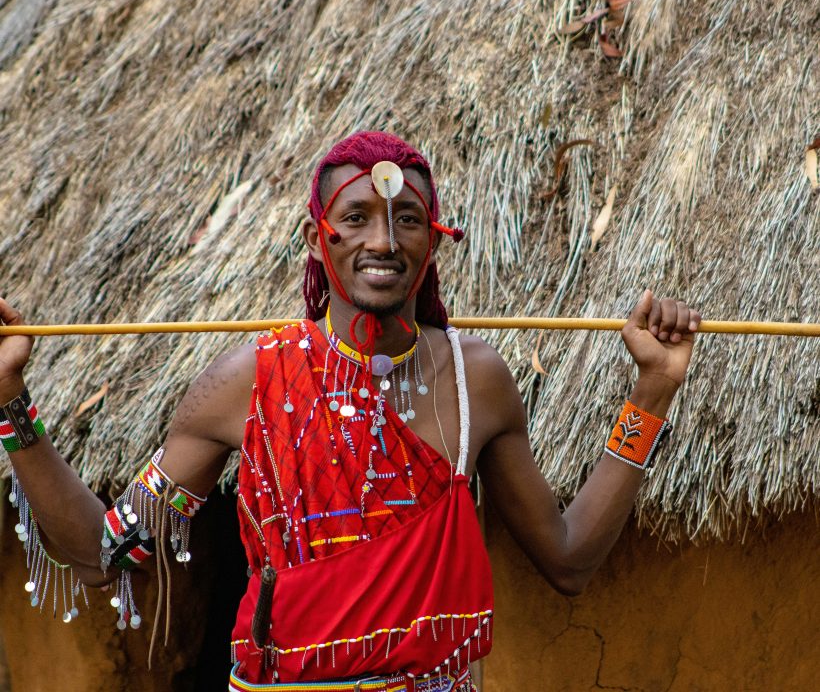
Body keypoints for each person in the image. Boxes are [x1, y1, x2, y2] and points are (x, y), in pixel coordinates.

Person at [0, 131, 701, 692]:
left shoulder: (474, 381)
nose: (384, 242)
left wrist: (653, 392)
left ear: (434, 240)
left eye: (407, 220)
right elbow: (105, 554)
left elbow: (569, 561)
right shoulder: (249, 383)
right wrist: (10, 402)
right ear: (317, 238)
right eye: (356, 218)